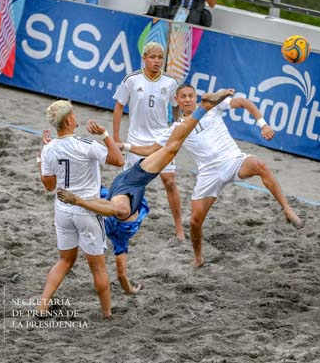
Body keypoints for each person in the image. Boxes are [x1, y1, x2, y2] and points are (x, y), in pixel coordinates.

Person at [58, 89, 237, 292]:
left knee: (170, 149)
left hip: (132, 182)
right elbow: (121, 275)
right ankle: (202, 108)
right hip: (128, 182)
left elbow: (110, 209)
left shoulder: (121, 219)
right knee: (169, 149)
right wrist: (130, 289)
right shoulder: (119, 240)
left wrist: (78, 201)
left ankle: (203, 107)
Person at [126, 83, 304, 267]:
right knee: (195, 222)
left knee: (260, 165)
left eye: (190, 96)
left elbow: (243, 102)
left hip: (233, 160)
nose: (187, 99)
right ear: (177, 101)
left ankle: (287, 209)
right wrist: (125, 146)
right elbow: (152, 149)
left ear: (196, 98)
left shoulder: (213, 108)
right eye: (183, 97)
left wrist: (263, 124)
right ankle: (198, 259)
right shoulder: (177, 129)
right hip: (208, 174)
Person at [35, 100, 124, 319]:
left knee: (64, 260)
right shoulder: (85, 143)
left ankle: (42, 306)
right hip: (86, 209)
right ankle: (107, 313)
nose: (76, 117)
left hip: (63, 210)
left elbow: (48, 186)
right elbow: (118, 160)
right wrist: (104, 134)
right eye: (73, 114)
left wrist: (42, 155)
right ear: (68, 120)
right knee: (98, 267)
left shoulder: (49, 148)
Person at [112, 42, 184, 240]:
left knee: (170, 182)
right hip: (136, 140)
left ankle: (179, 228)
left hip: (161, 140)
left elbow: (176, 106)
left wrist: (175, 127)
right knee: (132, 185)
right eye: (153, 57)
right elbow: (119, 107)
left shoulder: (170, 82)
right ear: (144, 58)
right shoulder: (132, 80)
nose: (157, 61)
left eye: (160, 58)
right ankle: (126, 221)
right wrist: (116, 138)